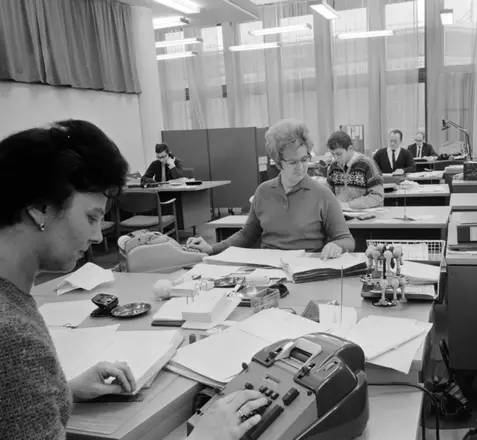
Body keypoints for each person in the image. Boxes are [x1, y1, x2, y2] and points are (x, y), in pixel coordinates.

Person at [0, 120, 266, 440]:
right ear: (40, 209)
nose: (98, 236)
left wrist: (61, 391)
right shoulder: (12, 336)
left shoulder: (12, 303)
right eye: (91, 217)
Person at [187, 119, 355, 259]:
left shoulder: (322, 194)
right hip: (269, 270)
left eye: (304, 159)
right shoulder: (263, 192)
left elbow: (346, 239)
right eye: (293, 162)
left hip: (306, 270)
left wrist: (336, 245)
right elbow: (247, 234)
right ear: (278, 162)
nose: (300, 167)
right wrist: (212, 249)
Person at [325, 130, 384, 209]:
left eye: (339, 154)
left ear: (350, 148)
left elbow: (377, 197)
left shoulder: (367, 164)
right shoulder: (334, 167)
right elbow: (328, 194)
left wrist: (349, 205)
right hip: (341, 213)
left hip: (365, 214)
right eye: (333, 154)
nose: (335, 158)